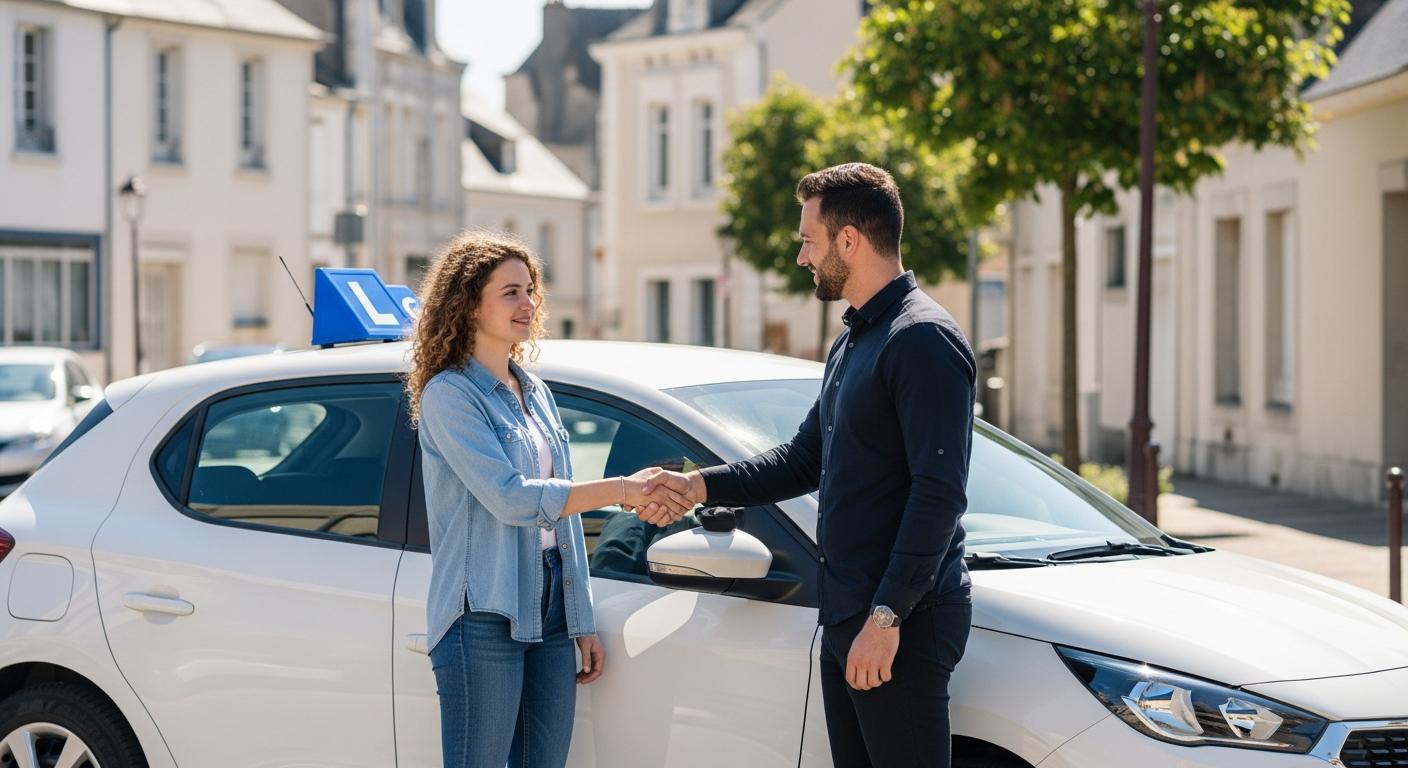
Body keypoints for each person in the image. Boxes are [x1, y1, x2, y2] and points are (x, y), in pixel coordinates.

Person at [640, 164, 977, 767]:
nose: (802, 257)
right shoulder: (854, 338)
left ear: (849, 240)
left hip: (900, 622)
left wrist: (886, 617)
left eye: (808, 241)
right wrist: (695, 485)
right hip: (851, 615)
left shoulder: (922, 339)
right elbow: (801, 460)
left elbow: (939, 494)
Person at [405, 231, 692, 768]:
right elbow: (513, 500)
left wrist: (579, 619)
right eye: (510, 292)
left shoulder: (535, 392)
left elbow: (561, 521)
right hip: (483, 613)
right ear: (469, 304)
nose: (529, 303)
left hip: (553, 611)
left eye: (531, 290)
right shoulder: (450, 395)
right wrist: (624, 490)